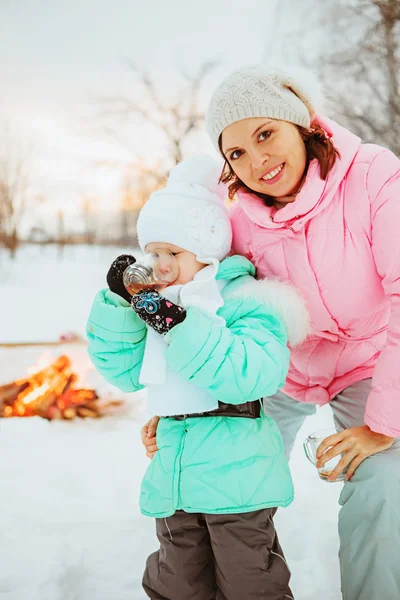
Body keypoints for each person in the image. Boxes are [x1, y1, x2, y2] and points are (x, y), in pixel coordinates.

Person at [144, 65, 400, 600]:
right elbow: (206, 311)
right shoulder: (234, 223)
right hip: (280, 368)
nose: (256, 160)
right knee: (222, 473)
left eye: (265, 134)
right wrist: (180, 407)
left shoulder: (375, 175)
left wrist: (382, 423)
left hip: (370, 358)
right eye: (235, 153)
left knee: (386, 482)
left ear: (301, 124)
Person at [86, 155, 310, 600]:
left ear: (206, 252)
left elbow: (253, 373)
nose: (159, 264)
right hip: (174, 479)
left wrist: (179, 324)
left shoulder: (244, 299)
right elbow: (125, 372)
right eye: (152, 253)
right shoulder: (159, 306)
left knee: (251, 584)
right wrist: (119, 308)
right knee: (178, 584)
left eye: (172, 253)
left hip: (238, 484)